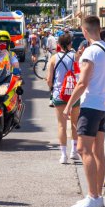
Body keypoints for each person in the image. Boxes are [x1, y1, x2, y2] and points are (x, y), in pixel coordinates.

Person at [63, 16, 105, 207]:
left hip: (90, 105)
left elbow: (83, 83)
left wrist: (68, 105)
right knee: (98, 151)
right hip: (102, 105)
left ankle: (92, 196)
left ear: (84, 31)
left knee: (83, 149)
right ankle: (97, 195)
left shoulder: (91, 52)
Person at [46, 33, 80, 164]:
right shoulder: (76, 57)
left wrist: (51, 88)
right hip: (74, 93)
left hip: (60, 93)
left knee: (61, 125)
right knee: (75, 124)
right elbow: (79, 74)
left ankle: (63, 155)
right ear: (70, 44)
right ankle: (74, 152)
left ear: (59, 45)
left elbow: (49, 79)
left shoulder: (54, 58)